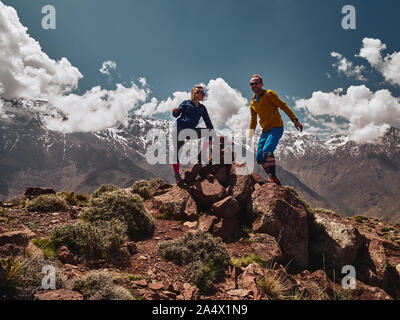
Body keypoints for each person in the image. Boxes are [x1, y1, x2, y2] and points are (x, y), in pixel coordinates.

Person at [248, 74, 303, 185]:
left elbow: (283, 106)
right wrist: (250, 135)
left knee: (267, 151)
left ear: (261, 84)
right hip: (265, 131)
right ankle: (271, 177)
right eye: (251, 84)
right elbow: (253, 120)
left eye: (256, 82)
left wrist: (295, 120)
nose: (254, 85)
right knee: (259, 157)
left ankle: (274, 179)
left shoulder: (269, 94)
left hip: (276, 127)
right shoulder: (253, 102)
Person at [171, 85, 215, 185]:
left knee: (209, 132)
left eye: (204, 93)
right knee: (177, 152)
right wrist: (175, 112)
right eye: (202, 93)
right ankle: (177, 176)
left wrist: (212, 135)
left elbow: (208, 122)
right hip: (179, 129)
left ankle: (202, 154)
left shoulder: (202, 108)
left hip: (190, 130)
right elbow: (177, 114)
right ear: (196, 94)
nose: (204, 95)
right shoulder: (186, 103)